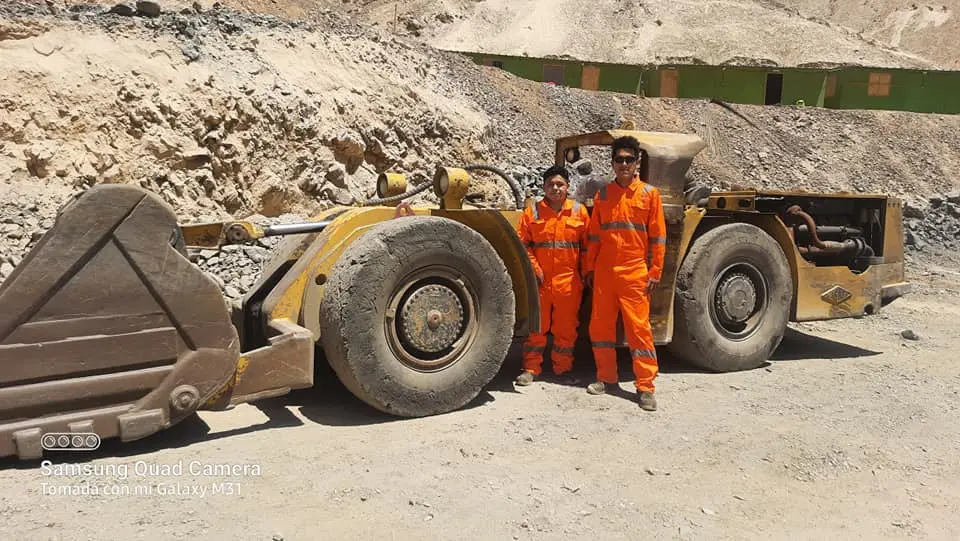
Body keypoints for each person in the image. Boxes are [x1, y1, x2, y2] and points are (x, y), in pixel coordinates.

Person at [582, 136, 667, 411]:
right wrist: (589, 267)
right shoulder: (603, 195)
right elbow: (594, 236)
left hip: (634, 272)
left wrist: (655, 270)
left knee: (639, 330)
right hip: (605, 273)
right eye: (619, 160)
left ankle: (645, 387)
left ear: (637, 163)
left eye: (629, 160)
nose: (624, 164)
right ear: (612, 163)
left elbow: (658, 237)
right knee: (600, 328)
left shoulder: (648, 195)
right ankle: (605, 378)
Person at [515, 164, 590, 386]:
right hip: (541, 282)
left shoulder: (579, 212)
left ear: (567, 187)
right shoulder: (533, 212)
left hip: (569, 282)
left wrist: (586, 274)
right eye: (551, 184)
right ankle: (530, 369)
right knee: (537, 328)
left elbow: (587, 247)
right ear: (544, 187)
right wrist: (535, 270)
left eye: (560, 184)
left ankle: (562, 369)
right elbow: (523, 245)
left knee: (565, 330)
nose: (555, 188)